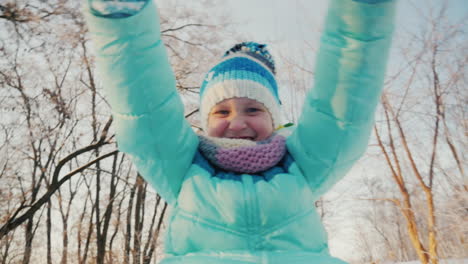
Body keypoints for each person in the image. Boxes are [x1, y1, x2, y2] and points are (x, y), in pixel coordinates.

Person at [84, 0, 397, 263]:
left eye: (253, 109)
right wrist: (122, 20)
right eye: (221, 111)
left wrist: (362, 11)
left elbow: (341, 109)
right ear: (206, 120)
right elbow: (146, 109)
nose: (237, 123)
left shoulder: (301, 165)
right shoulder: (183, 168)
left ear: (274, 118)